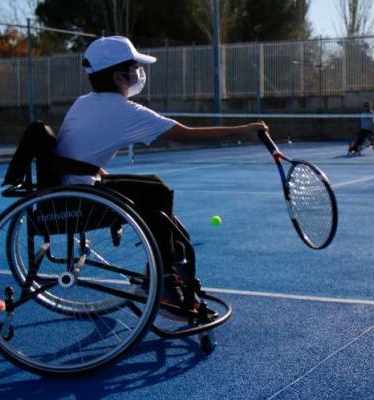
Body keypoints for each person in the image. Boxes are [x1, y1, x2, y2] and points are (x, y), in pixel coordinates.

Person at [54, 36, 266, 308]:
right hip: (81, 197)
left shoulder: (84, 102)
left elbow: (78, 148)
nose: (139, 73)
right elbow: (186, 135)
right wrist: (243, 131)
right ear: (120, 76)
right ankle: (164, 279)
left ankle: (171, 265)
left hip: (70, 186)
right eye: (134, 67)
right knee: (157, 192)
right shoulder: (123, 110)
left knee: (154, 186)